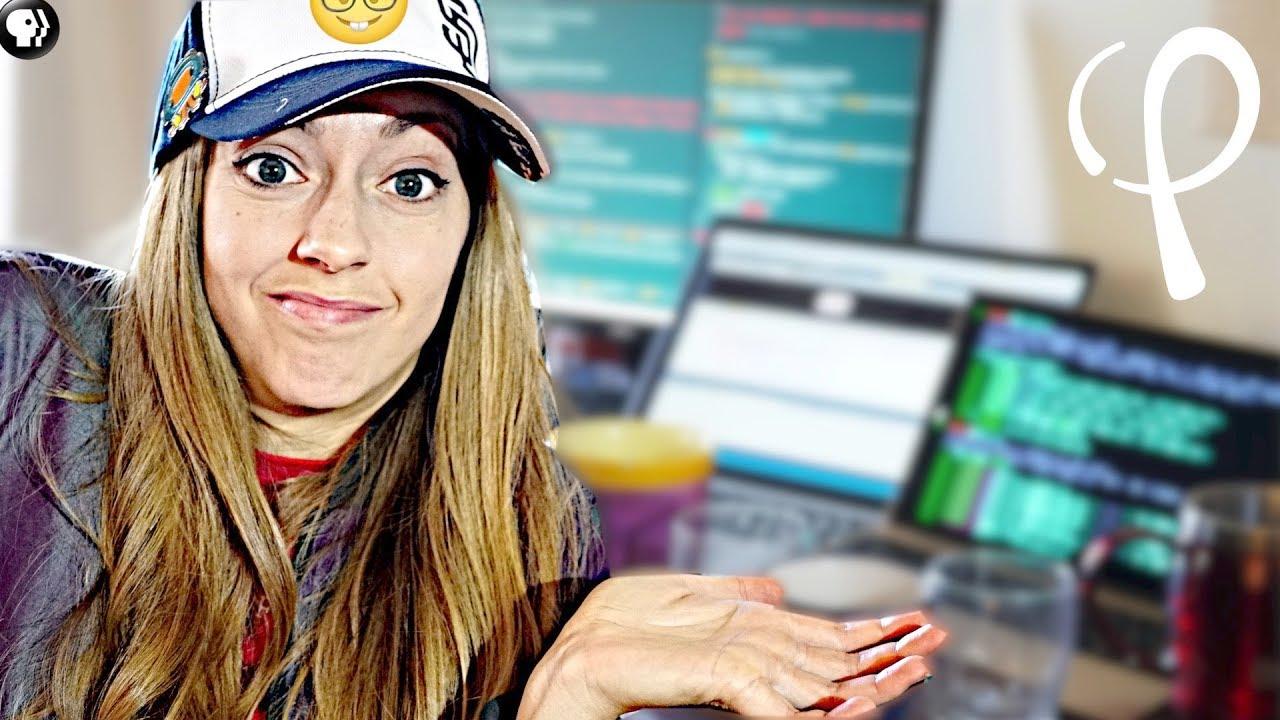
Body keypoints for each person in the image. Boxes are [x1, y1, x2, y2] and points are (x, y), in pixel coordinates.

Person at [0, 2, 945, 719]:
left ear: (468, 233)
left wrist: (568, 698)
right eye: (275, 167)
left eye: (410, 181)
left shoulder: (542, 538)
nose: (335, 242)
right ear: (190, 197)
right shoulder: (21, 348)